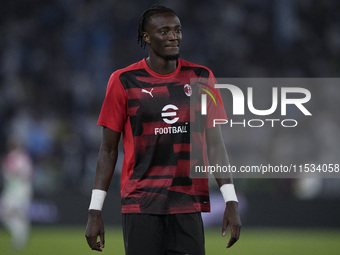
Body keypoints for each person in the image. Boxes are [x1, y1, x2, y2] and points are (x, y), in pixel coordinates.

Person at [85, 5, 241, 254]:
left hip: (187, 203)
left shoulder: (201, 77)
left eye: (177, 30)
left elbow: (215, 145)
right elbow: (108, 150)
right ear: (146, 37)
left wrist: (230, 200)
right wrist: (95, 211)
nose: (173, 36)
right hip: (141, 204)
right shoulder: (123, 80)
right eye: (165, 30)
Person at [0, 137, 34, 251]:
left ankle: (19, 238)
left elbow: (14, 175)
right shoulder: (21, 157)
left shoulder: (15, 158)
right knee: (14, 215)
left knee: (11, 215)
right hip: (18, 191)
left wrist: (12, 173)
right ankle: (20, 238)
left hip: (16, 191)